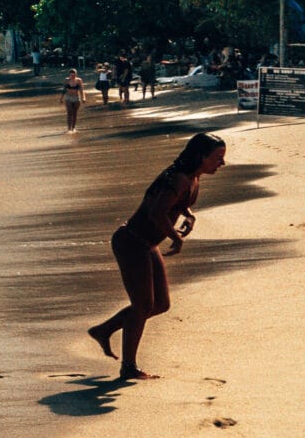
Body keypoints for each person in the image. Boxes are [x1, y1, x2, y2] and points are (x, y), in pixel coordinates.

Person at [88, 132, 227, 379]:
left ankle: (105, 329)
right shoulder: (180, 178)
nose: (222, 163)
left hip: (147, 244)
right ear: (201, 156)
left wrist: (189, 215)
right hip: (131, 242)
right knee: (142, 306)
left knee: (161, 304)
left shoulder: (193, 178)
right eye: (217, 158)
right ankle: (128, 367)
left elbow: (177, 204)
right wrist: (176, 237)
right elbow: (156, 213)